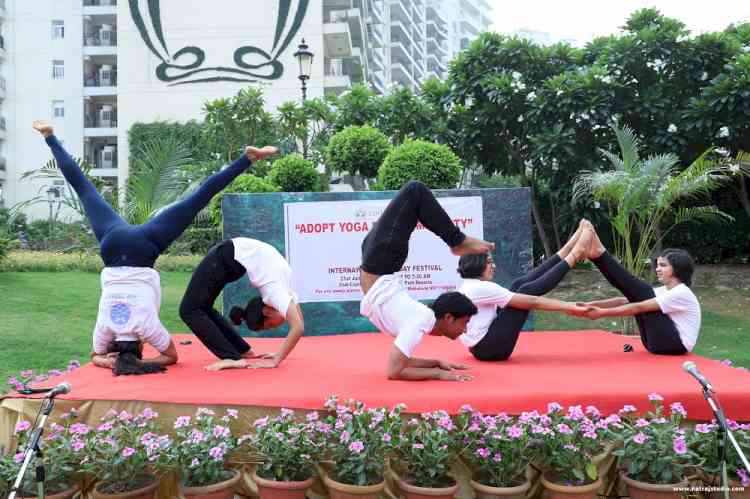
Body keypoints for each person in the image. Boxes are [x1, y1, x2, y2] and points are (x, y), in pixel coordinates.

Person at [33, 120, 278, 374]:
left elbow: (170, 357)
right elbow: (96, 354)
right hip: (112, 245)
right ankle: (49, 136)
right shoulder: (104, 328)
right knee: (83, 188)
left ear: (140, 346)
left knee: (197, 200)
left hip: (143, 249)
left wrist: (141, 364)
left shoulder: (147, 327)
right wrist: (109, 361)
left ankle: (247, 158)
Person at [359, 180, 495, 381]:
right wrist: (438, 372)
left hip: (378, 262)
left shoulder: (420, 320)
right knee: (415, 193)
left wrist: (436, 364)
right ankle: (457, 241)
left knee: (415, 192)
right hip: (380, 263)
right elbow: (396, 370)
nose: (466, 329)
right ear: (449, 318)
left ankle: (457, 241)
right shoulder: (422, 320)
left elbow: (396, 367)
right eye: (465, 322)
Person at [457, 221, 591, 361]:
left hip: (483, 347)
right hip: (490, 348)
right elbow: (533, 302)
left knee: (519, 285)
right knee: (526, 291)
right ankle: (575, 254)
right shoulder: (479, 288)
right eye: (490, 261)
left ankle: (572, 247)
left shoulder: (472, 286)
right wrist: (571, 306)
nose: (494, 266)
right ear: (478, 264)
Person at [179, 237, 304, 371]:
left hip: (230, 259)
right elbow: (298, 327)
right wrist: (276, 360)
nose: (273, 328)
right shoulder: (275, 293)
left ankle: (235, 355)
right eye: (270, 326)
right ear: (267, 311)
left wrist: (278, 356)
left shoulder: (279, 292)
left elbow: (299, 324)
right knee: (194, 309)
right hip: (227, 258)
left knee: (190, 309)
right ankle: (240, 351)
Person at [580, 227, 700, 355]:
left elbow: (639, 307)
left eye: (663, 265)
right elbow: (624, 301)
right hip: (656, 343)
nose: (657, 269)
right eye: (658, 265)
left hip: (674, 345)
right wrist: (592, 305)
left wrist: (602, 313)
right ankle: (597, 256)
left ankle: (599, 254)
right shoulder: (665, 291)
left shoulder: (681, 292)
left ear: (678, 268)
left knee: (643, 294)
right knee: (637, 294)